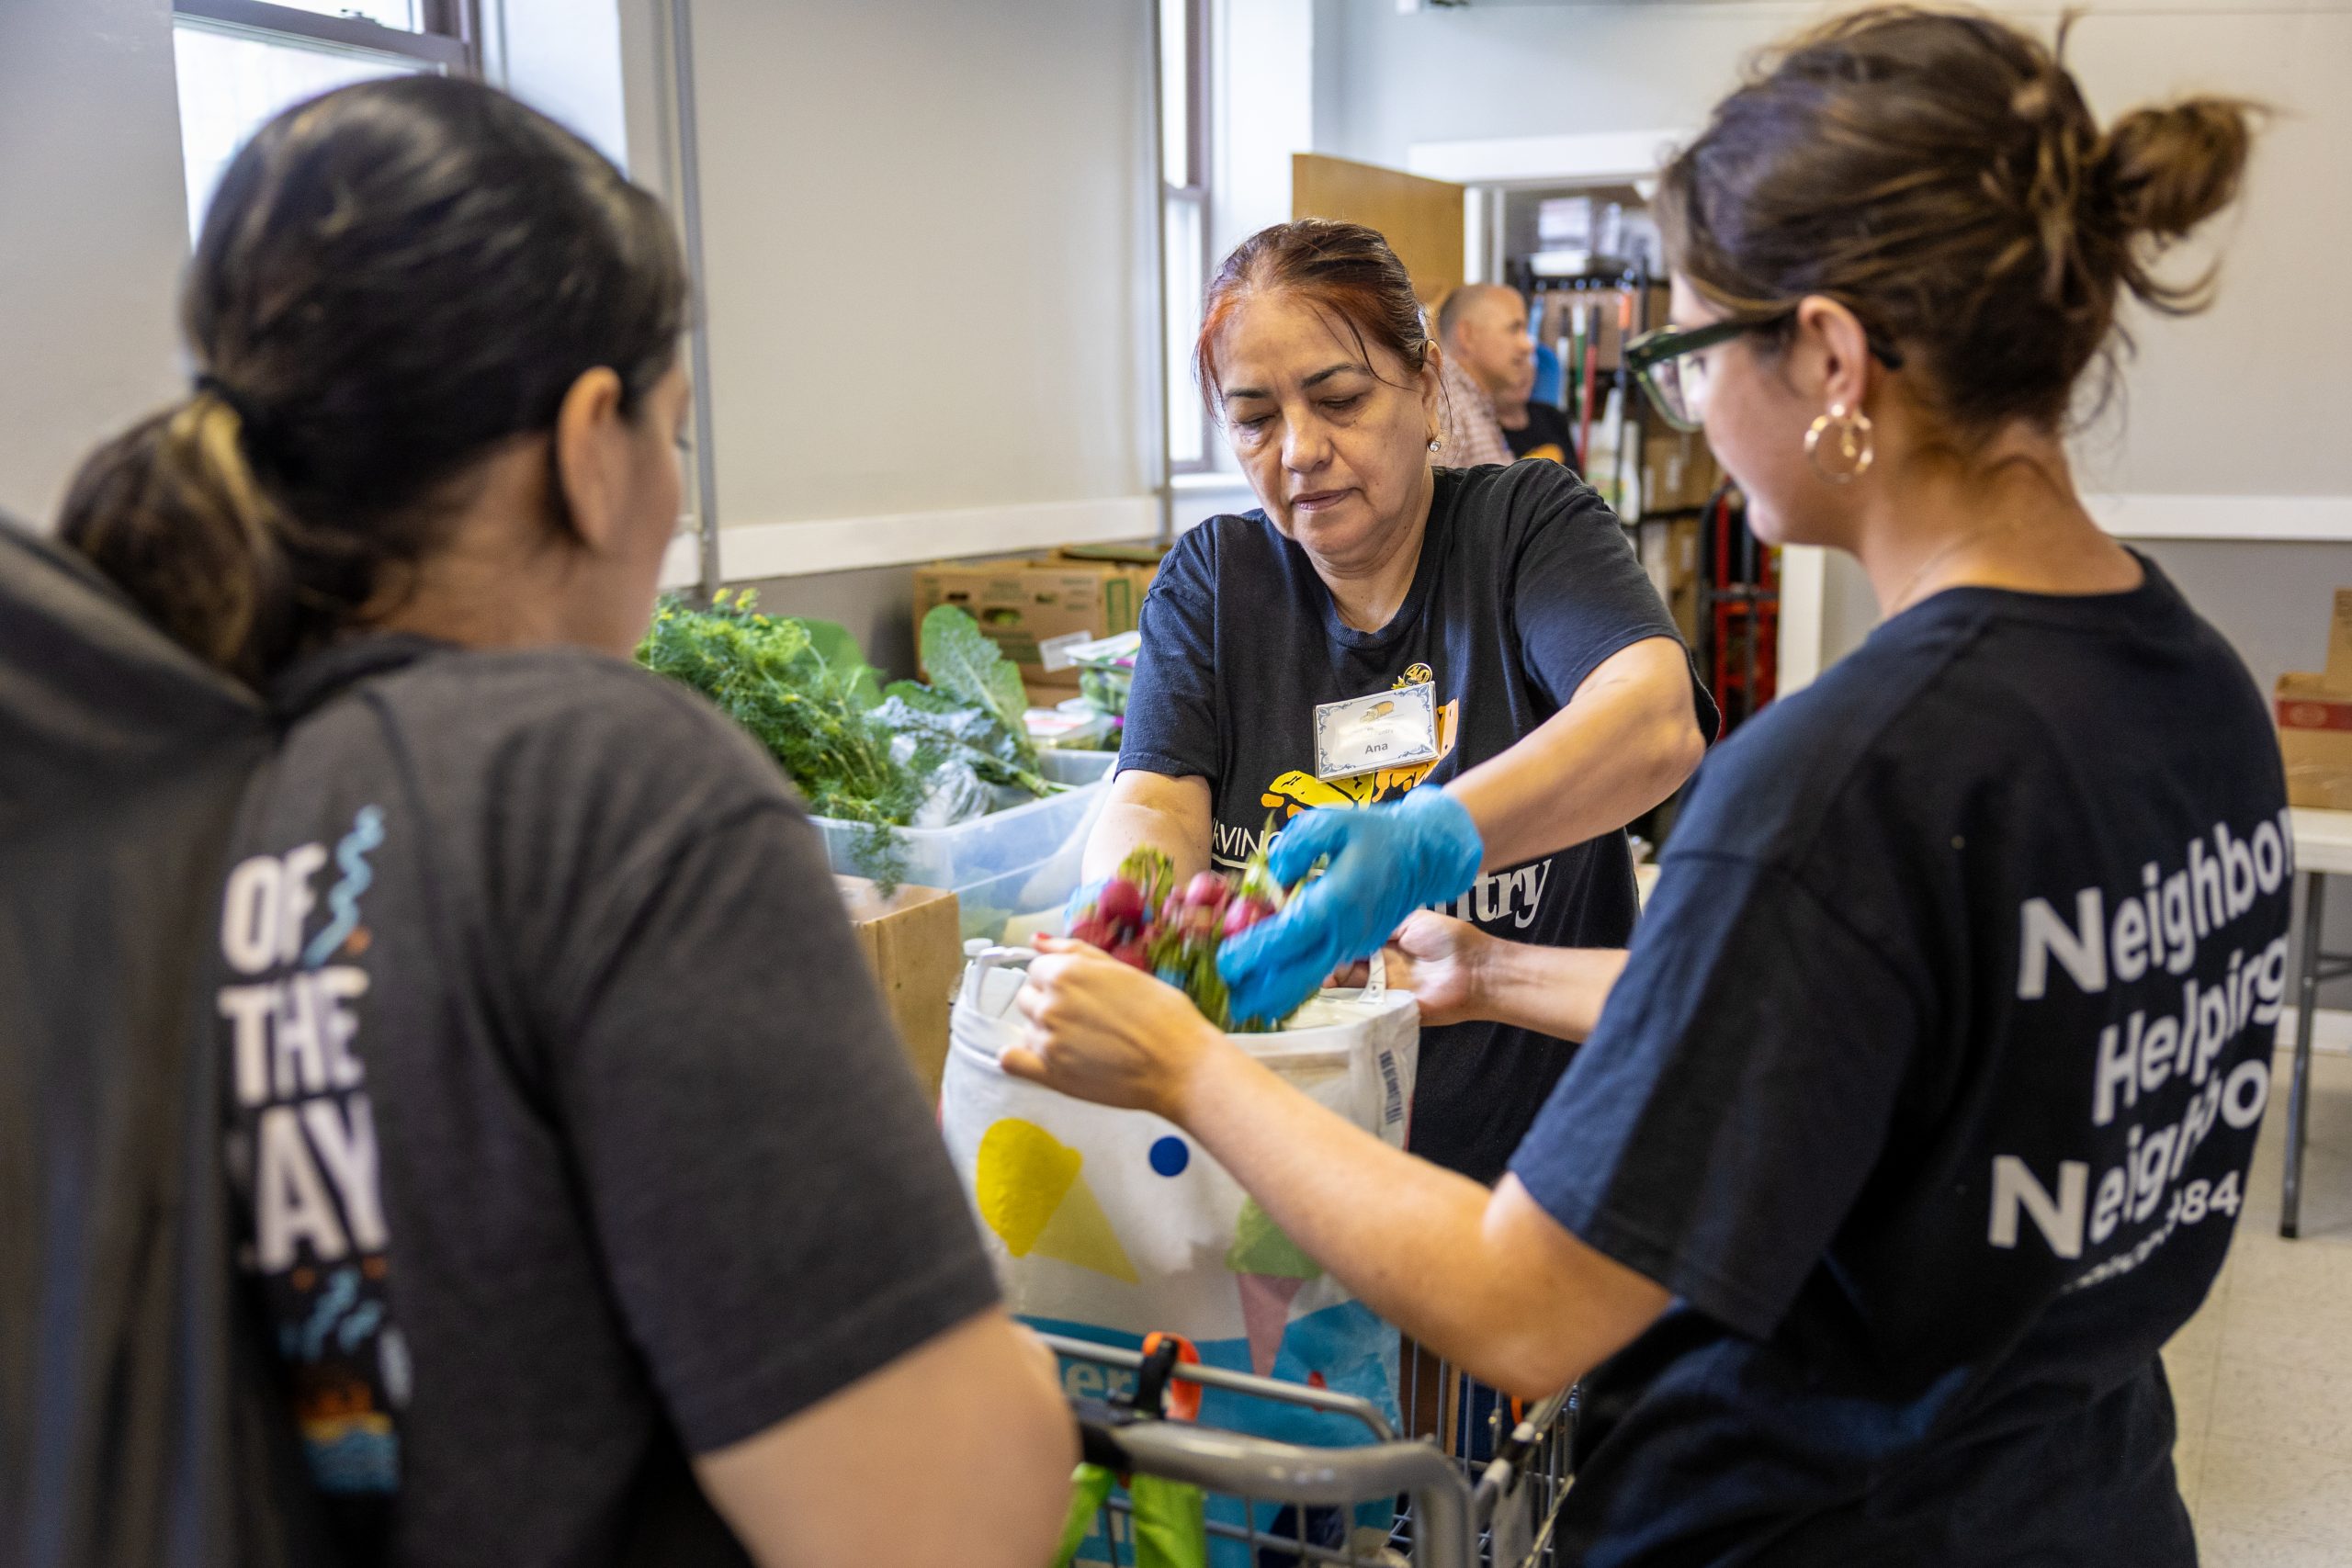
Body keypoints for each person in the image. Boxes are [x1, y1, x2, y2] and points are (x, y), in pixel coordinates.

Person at [1015, 10, 2276, 1563]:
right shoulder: (2197, 687)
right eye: (1253, 414)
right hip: (2077, 1497)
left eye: (1687, 351)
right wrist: (1483, 959)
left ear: (1826, 358)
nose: (1683, 409)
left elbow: (1520, 1307)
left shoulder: (1835, 790)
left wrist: (1186, 1065)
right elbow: (1873, 1057)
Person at [57, 77, 1071, 1567]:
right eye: (671, 431)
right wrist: (1019, 1397)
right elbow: (934, 1521)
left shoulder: (128, 800)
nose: (668, 490)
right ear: (589, 444)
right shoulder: (600, 783)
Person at [1088, 218, 1713, 1186]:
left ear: (1424, 390)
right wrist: (1152, 925)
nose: (1298, 450)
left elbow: (1654, 722)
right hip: (1296, 1174)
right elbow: (1155, 798)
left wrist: (1434, 837)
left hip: (1536, 1171)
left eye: (1338, 399)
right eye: (1254, 419)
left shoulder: (1525, 530)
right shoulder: (1214, 581)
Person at [1440, 283, 1573, 465]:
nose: (1527, 345)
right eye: (1514, 329)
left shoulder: (1472, 409)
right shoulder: (1445, 409)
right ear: (1467, 335)